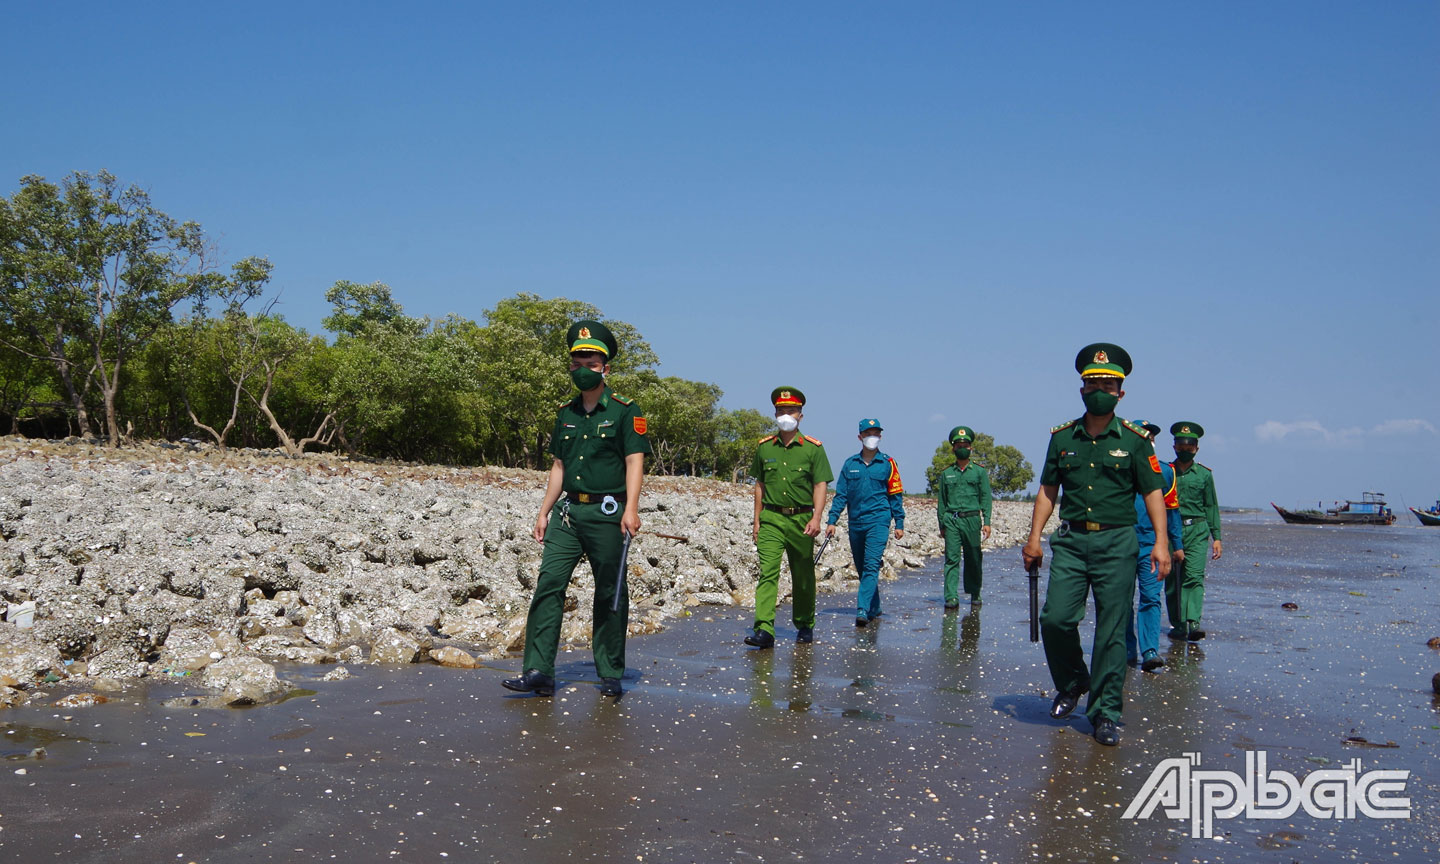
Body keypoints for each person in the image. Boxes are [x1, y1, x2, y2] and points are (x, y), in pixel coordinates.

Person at [1020, 343, 1171, 747]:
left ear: (1121, 392)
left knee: (1110, 630)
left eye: (1109, 383)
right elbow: (1048, 489)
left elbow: (1153, 492)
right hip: (1071, 540)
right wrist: (1034, 537)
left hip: (1118, 542)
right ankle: (1073, 682)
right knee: (1055, 619)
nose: (1100, 388)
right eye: (1093, 382)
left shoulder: (1137, 441)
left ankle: (1104, 712)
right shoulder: (1062, 437)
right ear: (1082, 389)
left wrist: (1160, 542)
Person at [502, 320, 650, 699]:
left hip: (608, 513)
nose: (583, 366)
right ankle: (538, 670)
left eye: (591, 359)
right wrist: (543, 511)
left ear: (605, 367)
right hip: (568, 515)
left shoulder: (624, 411)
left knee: (609, 592)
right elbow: (558, 467)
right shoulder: (564, 413)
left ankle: (610, 671)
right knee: (549, 585)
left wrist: (631, 509)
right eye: (577, 360)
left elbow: (635, 462)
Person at [745, 387, 833, 648]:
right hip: (771, 518)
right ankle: (764, 629)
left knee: (803, 574)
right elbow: (759, 485)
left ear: (801, 415)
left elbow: (820, 485)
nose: (786, 415)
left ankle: (805, 623)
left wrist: (817, 517)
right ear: (775, 413)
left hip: (801, 520)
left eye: (791, 410)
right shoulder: (764, 448)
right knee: (768, 573)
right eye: (782, 410)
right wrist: (757, 520)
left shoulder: (813, 449)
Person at [825, 418, 906, 627]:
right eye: (868, 433)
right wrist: (832, 520)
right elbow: (841, 494)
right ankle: (875, 606)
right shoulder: (850, 464)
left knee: (871, 565)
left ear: (880, 436)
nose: (873, 437)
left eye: (876, 433)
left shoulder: (888, 463)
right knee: (862, 568)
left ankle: (862, 609)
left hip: (878, 520)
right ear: (860, 437)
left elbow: (895, 494)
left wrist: (899, 522)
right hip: (855, 522)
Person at [1124, 420, 1183, 672]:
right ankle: (1126, 648)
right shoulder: (1119, 467)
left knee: (1150, 597)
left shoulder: (1166, 472)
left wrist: (1176, 544)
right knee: (1122, 599)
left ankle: (1149, 650)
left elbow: (1172, 511)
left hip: (1151, 545)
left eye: (1149, 437)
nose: (1147, 440)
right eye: (1142, 436)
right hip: (1121, 543)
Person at [1167, 421, 1222, 641]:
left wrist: (1216, 537)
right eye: (1181, 446)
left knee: (1194, 577)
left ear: (1196, 449)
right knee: (1173, 580)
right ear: (1174, 447)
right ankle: (1178, 624)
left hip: (1198, 529)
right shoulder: (1167, 473)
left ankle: (1193, 622)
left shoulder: (1205, 475)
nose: (1185, 451)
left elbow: (1211, 506)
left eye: (1189, 448)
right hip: (1173, 530)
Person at [935, 426, 993, 609]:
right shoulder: (946, 473)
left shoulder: (979, 472)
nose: (962, 447)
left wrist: (987, 522)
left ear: (970, 448)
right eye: (958, 444)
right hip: (952, 520)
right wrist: (941, 524)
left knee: (974, 557)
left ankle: (975, 592)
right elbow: (942, 501)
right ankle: (951, 596)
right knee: (951, 559)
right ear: (953, 448)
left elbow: (986, 497)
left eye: (965, 444)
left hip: (972, 519)